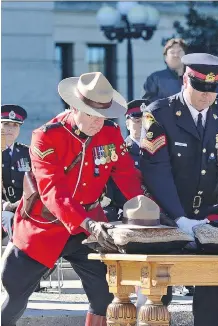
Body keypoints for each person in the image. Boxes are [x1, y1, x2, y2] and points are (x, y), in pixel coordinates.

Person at [1, 72, 144, 326]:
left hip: (89, 227)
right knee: (15, 291)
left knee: (107, 294)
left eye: (103, 116)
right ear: (74, 107)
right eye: (90, 114)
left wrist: (144, 209)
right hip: (44, 226)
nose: (97, 123)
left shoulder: (110, 133)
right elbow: (53, 192)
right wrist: (87, 223)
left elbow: (126, 176)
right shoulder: (46, 136)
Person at [140, 53, 218, 326]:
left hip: (208, 214)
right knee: (157, 296)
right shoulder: (158, 114)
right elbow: (157, 172)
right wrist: (179, 218)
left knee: (214, 291)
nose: (206, 95)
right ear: (185, 81)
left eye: (213, 89)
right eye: (200, 87)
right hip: (164, 216)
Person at [103, 99, 149, 222]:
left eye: (146, 121)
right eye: (137, 121)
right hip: (127, 212)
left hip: (156, 212)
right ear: (127, 124)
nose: (142, 125)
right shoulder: (118, 151)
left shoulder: (160, 150)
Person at [1, 105, 30, 241]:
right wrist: (4, 205)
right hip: (4, 209)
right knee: (8, 218)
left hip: (25, 207)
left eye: (15, 125)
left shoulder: (27, 153)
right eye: (6, 124)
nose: (11, 129)